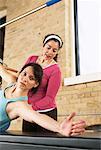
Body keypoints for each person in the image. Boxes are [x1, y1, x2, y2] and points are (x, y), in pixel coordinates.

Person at [0, 62, 86, 136]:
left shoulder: (20, 105)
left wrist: (59, 128)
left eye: (31, 78)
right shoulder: (11, 83)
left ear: (36, 84)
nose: (25, 79)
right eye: (24, 74)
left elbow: (36, 116)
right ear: (20, 74)